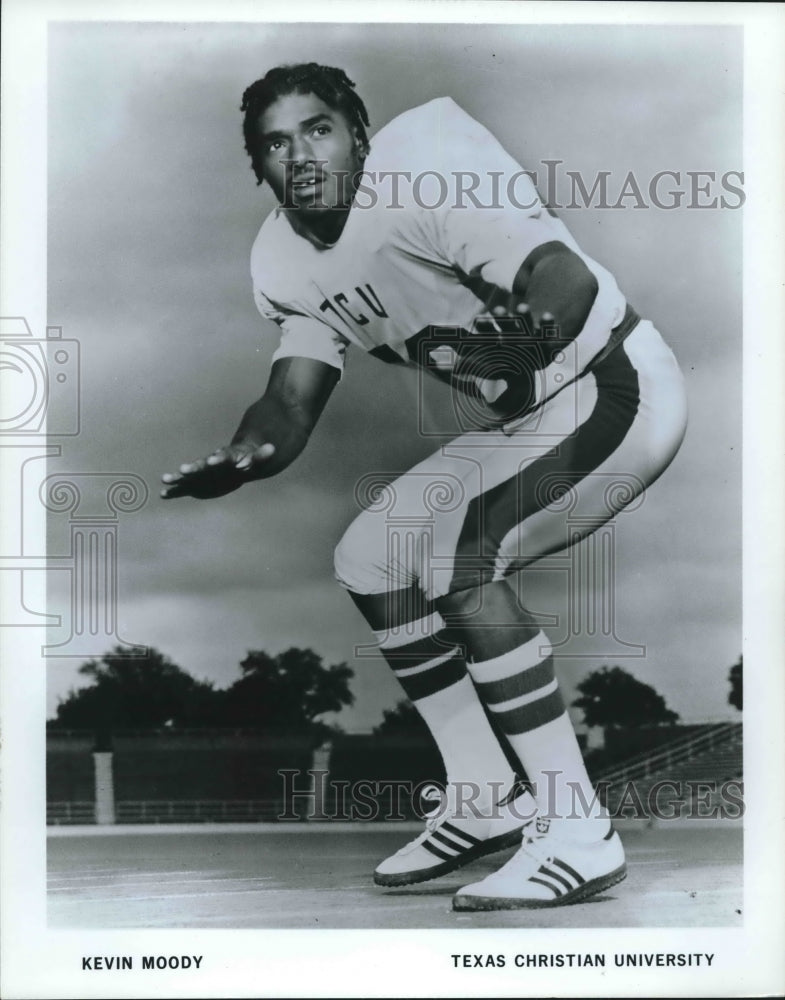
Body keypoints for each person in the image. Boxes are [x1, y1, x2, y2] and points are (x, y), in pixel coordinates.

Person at [161, 63, 687, 911]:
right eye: (276, 143)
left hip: (610, 383)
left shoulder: (425, 173)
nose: (301, 155)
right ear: (256, 166)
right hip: (522, 422)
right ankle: (483, 795)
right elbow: (290, 399)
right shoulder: (280, 258)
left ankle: (576, 830)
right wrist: (249, 452)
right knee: (370, 558)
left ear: (360, 135)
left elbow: (566, 279)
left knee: (460, 560)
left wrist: (520, 341)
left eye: (319, 129)